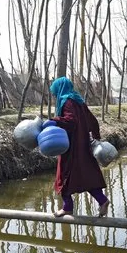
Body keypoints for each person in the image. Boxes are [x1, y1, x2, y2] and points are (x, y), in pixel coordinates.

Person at [48, 77, 110, 217]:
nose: (54, 95)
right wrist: (96, 137)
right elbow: (93, 121)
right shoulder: (79, 101)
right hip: (83, 145)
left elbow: (71, 121)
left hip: (70, 146)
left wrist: (54, 121)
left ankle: (67, 208)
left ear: (60, 88)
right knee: (85, 176)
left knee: (63, 175)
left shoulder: (67, 102)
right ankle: (102, 200)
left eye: (55, 92)